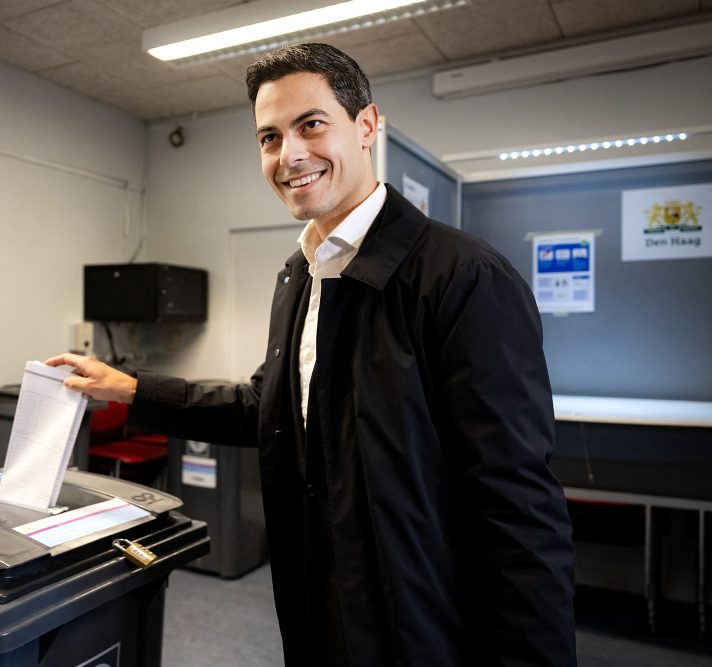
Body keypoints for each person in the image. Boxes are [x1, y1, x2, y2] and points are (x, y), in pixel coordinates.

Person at [47, 43, 576, 665]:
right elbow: (268, 407)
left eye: (311, 125)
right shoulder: (301, 275)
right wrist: (133, 389)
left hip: (424, 625)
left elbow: (516, 508)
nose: (289, 154)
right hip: (317, 603)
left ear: (368, 126)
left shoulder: (463, 277)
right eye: (269, 137)